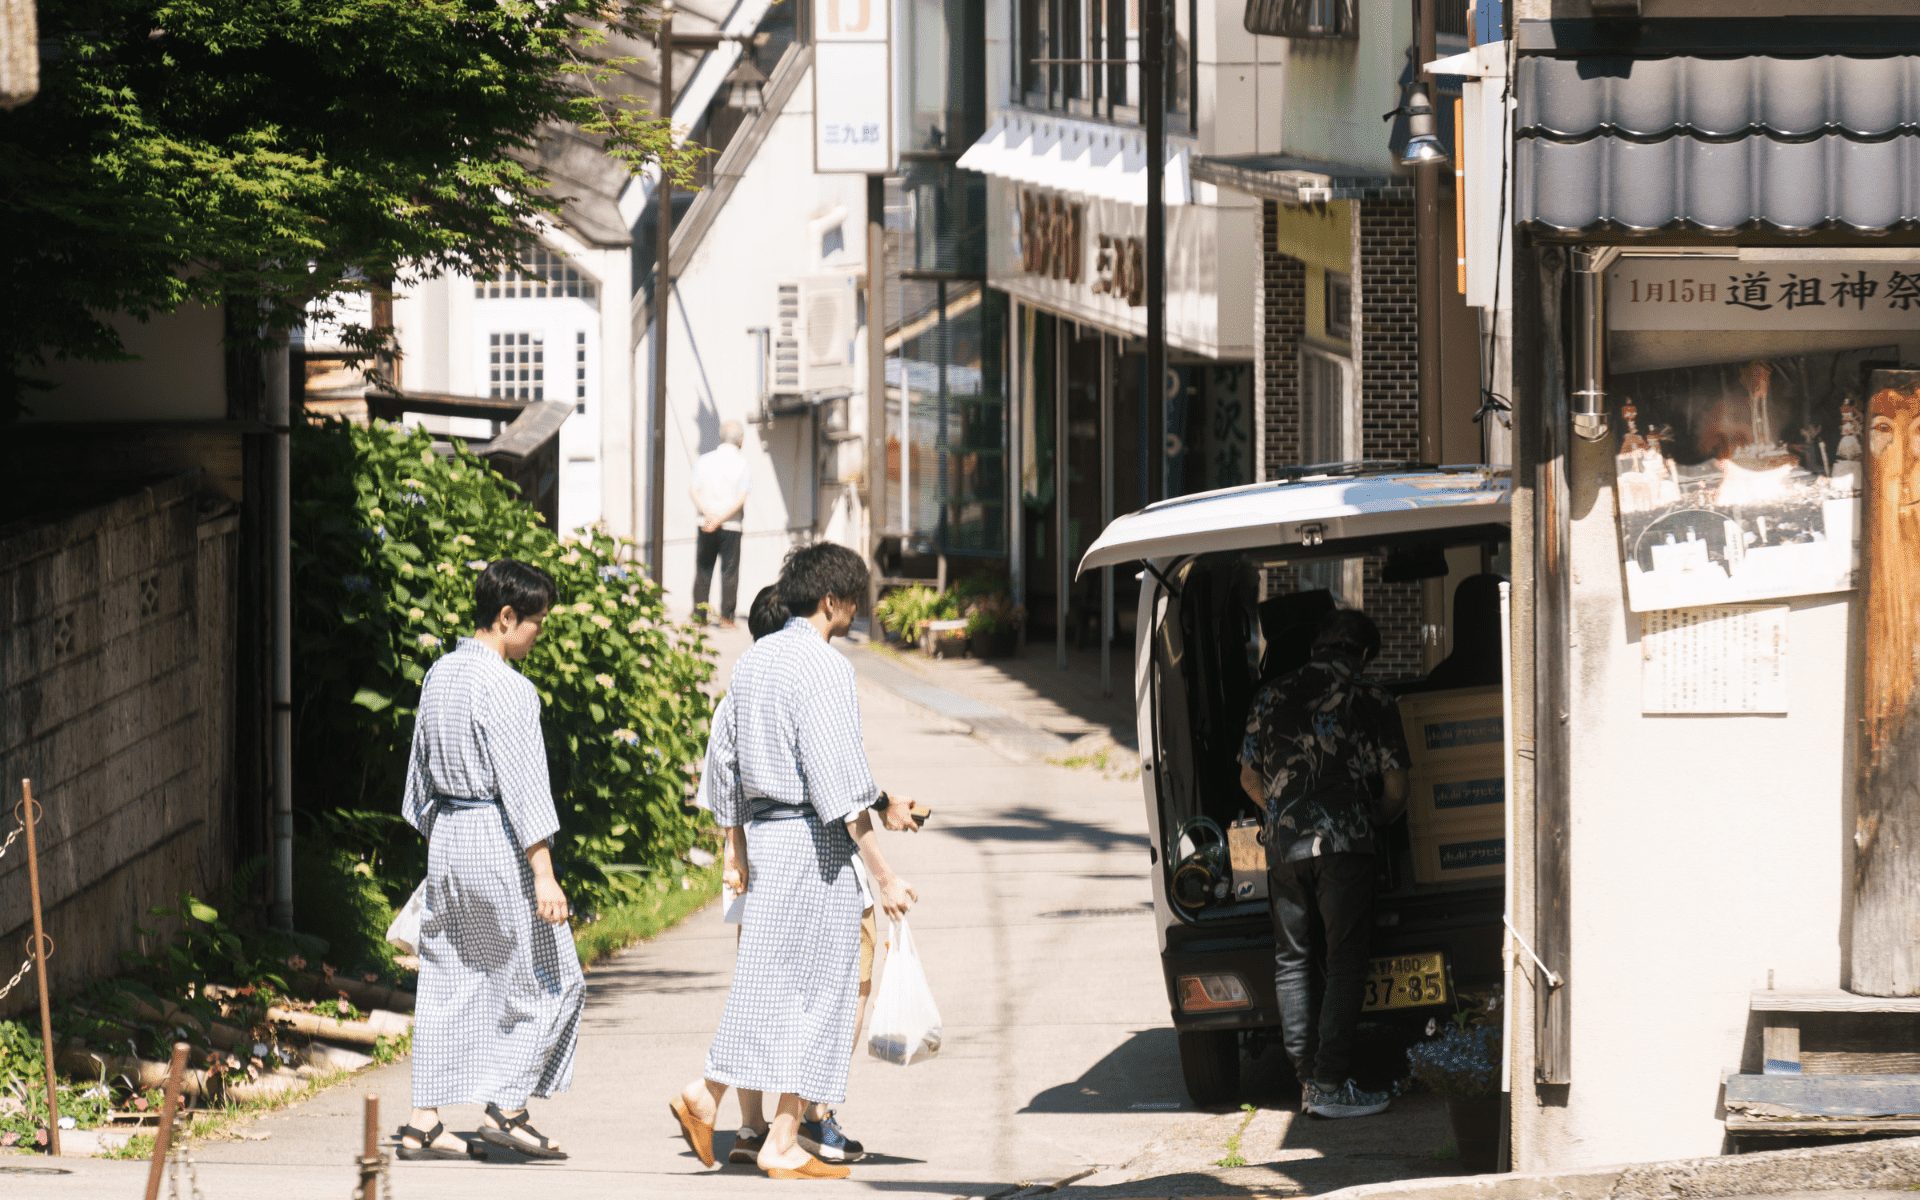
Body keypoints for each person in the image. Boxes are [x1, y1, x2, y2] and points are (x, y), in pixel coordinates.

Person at [671, 544, 917, 1180]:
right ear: (833, 601)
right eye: (855, 600)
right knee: (825, 992)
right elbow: (839, 782)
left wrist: (737, 849)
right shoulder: (825, 668)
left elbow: (723, 766)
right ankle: (735, 1112)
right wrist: (883, 873)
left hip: (769, 837)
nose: (856, 613)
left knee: (772, 988)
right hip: (815, 848)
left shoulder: (752, 662)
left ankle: (754, 1121)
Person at [398, 559, 583, 1161]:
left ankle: (424, 1119)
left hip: (447, 839)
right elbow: (525, 784)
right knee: (550, 978)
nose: (538, 634)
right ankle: (508, 1106)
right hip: (495, 837)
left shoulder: (439, 676)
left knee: (450, 979)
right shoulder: (508, 688)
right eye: (535, 623)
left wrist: (442, 840)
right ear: (506, 618)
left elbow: (416, 783)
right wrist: (544, 874)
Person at [1239, 609, 1408, 1120]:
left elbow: (1247, 775)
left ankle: (1306, 1079)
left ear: (1318, 646)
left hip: (1283, 847)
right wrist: (1374, 819)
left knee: (1291, 959)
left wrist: (1281, 813)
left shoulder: (1270, 694)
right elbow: (1397, 784)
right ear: (1362, 653)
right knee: (1344, 959)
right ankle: (1329, 1082)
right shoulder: (1371, 698)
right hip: (1345, 844)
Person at [690, 420, 753, 627]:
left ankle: (699, 614)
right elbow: (741, 498)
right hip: (731, 525)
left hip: (705, 522)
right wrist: (722, 518)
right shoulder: (742, 464)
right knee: (729, 570)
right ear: (740, 440)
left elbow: (693, 490)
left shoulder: (705, 460)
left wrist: (709, 514)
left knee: (703, 568)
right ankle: (727, 617)